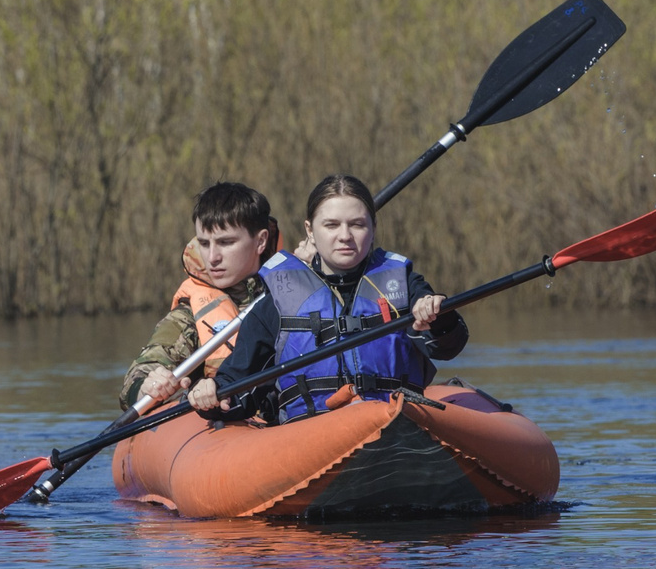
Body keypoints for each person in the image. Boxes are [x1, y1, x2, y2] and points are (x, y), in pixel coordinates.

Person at [199, 174, 466, 418]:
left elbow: (447, 347)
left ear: (373, 227)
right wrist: (212, 394)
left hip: (397, 422)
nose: (345, 236)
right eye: (331, 225)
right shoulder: (277, 302)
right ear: (310, 231)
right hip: (314, 436)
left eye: (357, 224)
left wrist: (438, 317)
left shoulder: (405, 285)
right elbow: (239, 389)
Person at [119, 181, 289, 412]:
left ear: (260, 241)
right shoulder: (187, 316)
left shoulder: (295, 294)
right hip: (229, 430)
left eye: (225, 242)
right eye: (203, 243)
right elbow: (139, 375)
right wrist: (147, 385)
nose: (212, 257)